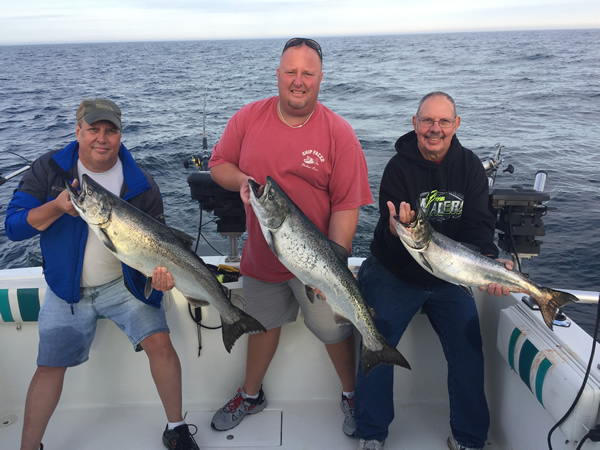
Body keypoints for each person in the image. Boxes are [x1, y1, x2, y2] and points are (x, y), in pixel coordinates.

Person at [5, 98, 199, 450]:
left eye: (111, 130)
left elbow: (162, 243)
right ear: (78, 130)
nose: (102, 138)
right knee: (48, 366)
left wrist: (162, 280)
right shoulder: (49, 170)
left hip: (123, 286)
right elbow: (14, 228)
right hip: (67, 291)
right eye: (93, 129)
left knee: (161, 345)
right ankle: (28, 447)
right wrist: (56, 206)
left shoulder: (141, 182)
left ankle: (177, 427)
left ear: (121, 135)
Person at [208, 37, 373, 436]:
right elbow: (218, 164)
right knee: (261, 326)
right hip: (262, 262)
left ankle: (351, 394)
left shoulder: (339, 134)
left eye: (308, 73)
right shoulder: (248, 117)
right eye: (291, 72)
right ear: (278, 74)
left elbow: (346, 206)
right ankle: (251, 394)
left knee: (334, 329)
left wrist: (330, 266)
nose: (298, 81)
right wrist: (242, 180)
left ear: (320, 79)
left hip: (316, 264)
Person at [353, 92, 514, 450]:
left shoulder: (470, 166)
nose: (435, 129)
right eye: (427, 121)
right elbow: (384, 228)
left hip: (450, 274)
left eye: (443, 121)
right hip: (394, 270)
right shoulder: (398, 167)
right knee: (375, 338)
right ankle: (371, 431)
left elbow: (478, 225)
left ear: (456, 125)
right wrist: (396, 229)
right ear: (415, 124)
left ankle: (469, 438)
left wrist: (487, 260)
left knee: (469, 350)